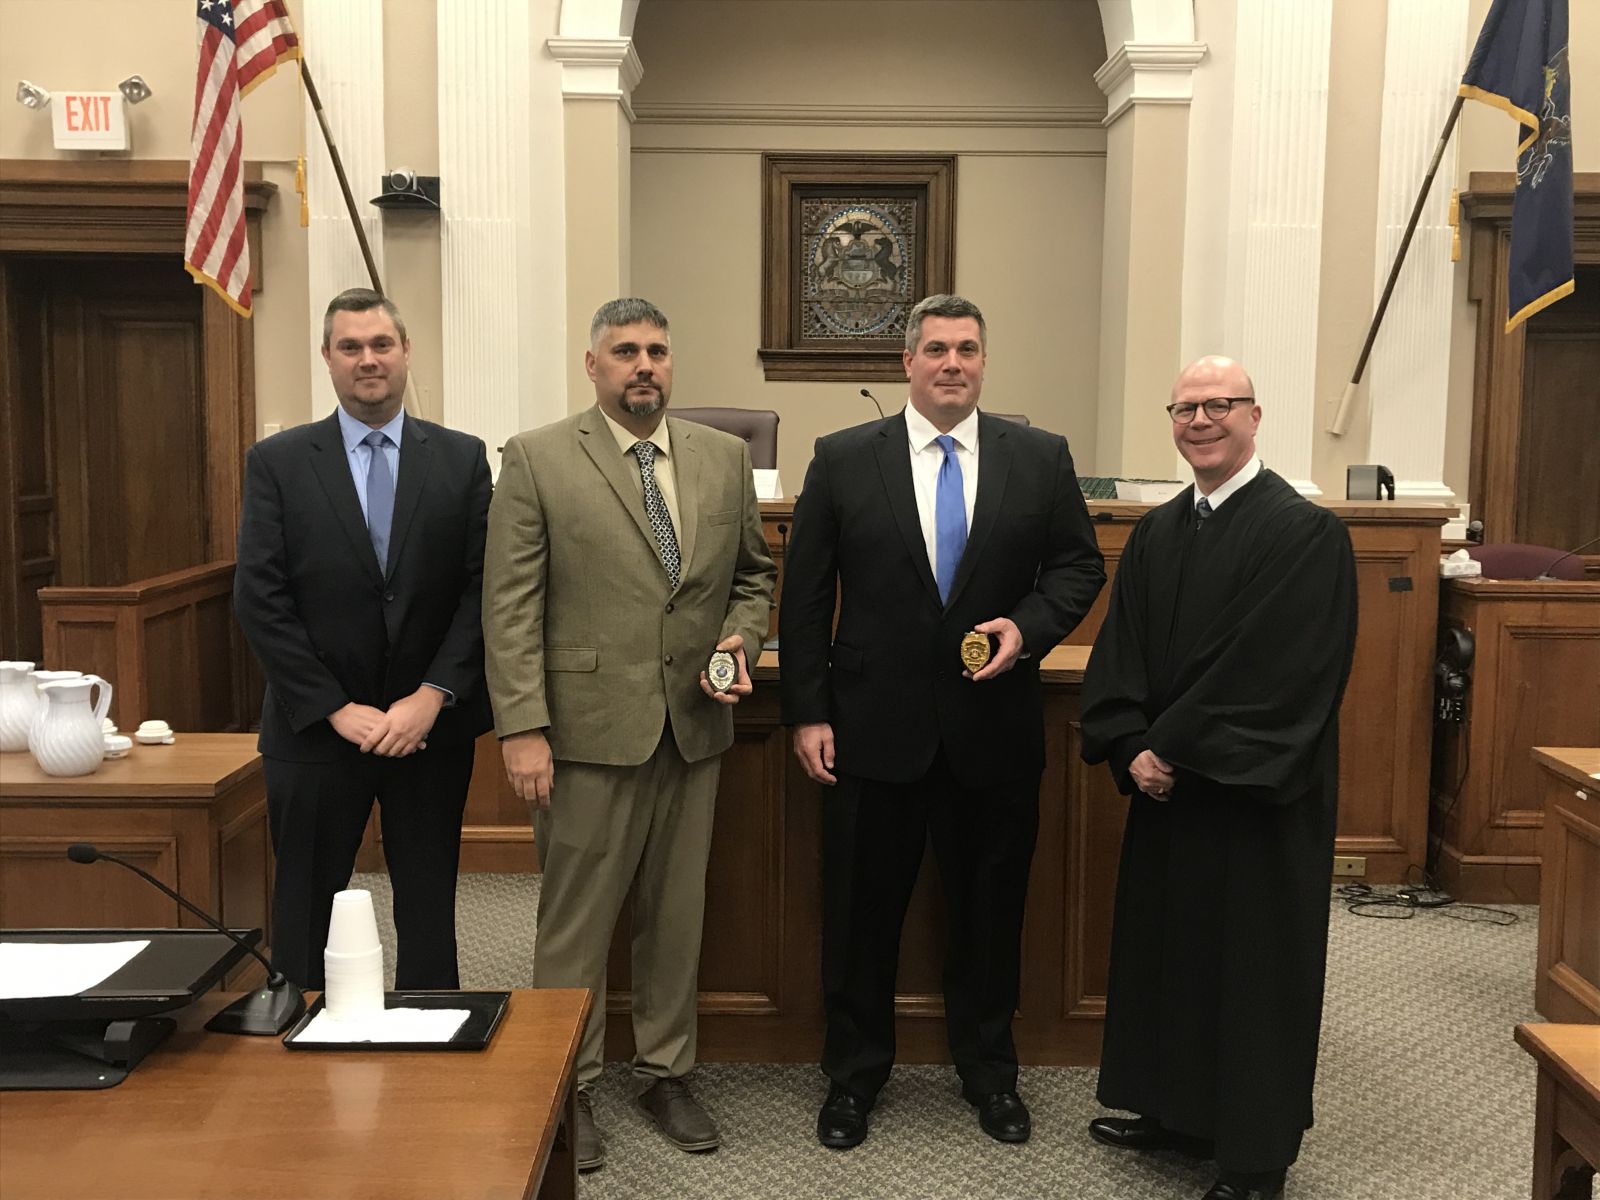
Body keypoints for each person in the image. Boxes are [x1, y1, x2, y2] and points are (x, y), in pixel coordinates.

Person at [779, 294, 1105, 1149]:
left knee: (990, 915)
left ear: (985, 363)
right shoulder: (845, 458)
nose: (951, 362)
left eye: (966, 349)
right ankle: (852, 1079)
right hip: (868, 732)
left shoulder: (1040, 457)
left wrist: (1027, 628)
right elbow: (806, 597)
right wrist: (807, 713)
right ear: (907, 364)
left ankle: (990, 1074)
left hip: (992, 732)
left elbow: (1078, 567)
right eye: (935, 350)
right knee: (860, 918)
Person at [483, 298, 775, 1173]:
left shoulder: (723, 460)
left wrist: (744, 635)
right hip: (583, 731)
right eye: (625, 352)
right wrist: (523, 729)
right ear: (593, 366)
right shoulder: (536, 459)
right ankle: (565, 1082)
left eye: (656, 350)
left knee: (674, 916)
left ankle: (665, 1069)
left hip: (693, 724)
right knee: (575, 921)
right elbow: (510, 607)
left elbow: (755, 578)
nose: (643, 365)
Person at [1079, 355, 1358, 1200]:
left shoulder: (1304, 534)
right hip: (1168, 794)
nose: (1200, 421)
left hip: (1253, 799)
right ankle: (1172, 1111)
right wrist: (1130, 742)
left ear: (1255, 415)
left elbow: (1277, 671)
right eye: (1185, 408)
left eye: (1219, 406)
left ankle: (1253, 1157)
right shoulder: (1161, 531)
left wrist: (1175, 750)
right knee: (1171, 954)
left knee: (1251, 971)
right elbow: (1118, 652)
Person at [234, 287, 492, 991]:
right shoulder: (278, 463)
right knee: (305, 906)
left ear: (407, 352)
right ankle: (299, 1064)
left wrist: (433, 695)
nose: (368, 359)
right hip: (317, 732)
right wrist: (334, 708)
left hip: (427, 731)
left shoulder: (463, 461)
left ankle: (429, 1053)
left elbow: (481, 593)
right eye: (350, 347)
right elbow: (260, 596)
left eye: (381, 344)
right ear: (327, 358)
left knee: (429, 907)